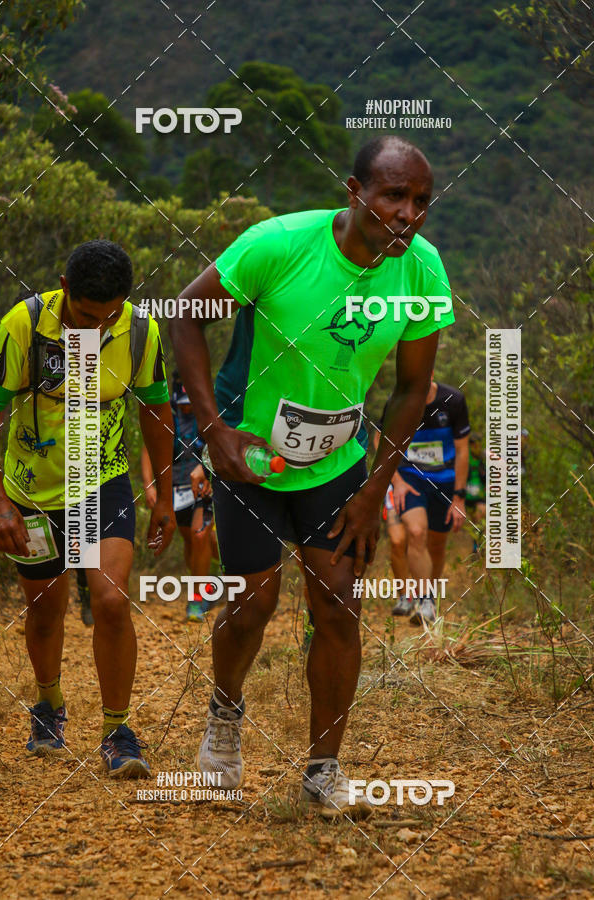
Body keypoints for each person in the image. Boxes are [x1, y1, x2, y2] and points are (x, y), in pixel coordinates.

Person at [169, 136, 455, 817]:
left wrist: (374, 487)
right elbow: (184, 313)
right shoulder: (278, 244)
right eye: (393, 196)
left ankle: (323, 771)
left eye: (420, 202)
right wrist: (214, 431)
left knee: (338, 604)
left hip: (339, 462)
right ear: (354, 193)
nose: (408, 214)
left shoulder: (421, 271)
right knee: (251, 607)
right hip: (253, 461)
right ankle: (224, 722)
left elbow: (412, 389)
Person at [0, 240, 175, 776]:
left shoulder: (140, 330)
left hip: (102, 481)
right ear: (64, 289)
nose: (97, 327)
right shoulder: (23, 325)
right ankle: (48, 707)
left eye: (109, 315)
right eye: (86, 317)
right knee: (46, 611)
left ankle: (118, 731)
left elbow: (156, 406)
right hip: (31, 488)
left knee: (112, 602)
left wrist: (162, 493)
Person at [375, 376, 470, 624]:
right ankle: (423, 599)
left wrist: (459, 497)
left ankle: (431, 597)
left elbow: (462, 450)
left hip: (445, 480)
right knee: (415, 532)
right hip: (410, 478)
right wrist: (396, 480)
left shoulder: (454, 400)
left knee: (437, 544)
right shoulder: (397, 400)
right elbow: (380, 439)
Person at [141, 374, 217, 622]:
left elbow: (218, 445)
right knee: (192, 541)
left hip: (202, 486)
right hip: (174, 487)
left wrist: (211, 474)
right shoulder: (167, 414)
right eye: (183, 401)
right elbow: (147, 448)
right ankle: (212, 584)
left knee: (200, 534)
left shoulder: (207, 412)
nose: (187, 406)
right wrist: (150, 486)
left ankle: (196, 599)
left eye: (190, 400)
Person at [466, 432, 486, 553]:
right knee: (474, 520)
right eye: (473, 444)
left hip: (480, 496)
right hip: (466, 496)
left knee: (480, 516)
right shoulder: (464, 457)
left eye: (477, 444)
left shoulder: (483, 458)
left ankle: (478, 545)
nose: (476, 447)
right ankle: (475, 544)